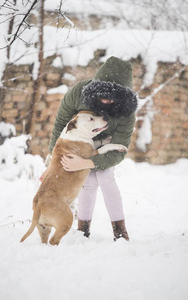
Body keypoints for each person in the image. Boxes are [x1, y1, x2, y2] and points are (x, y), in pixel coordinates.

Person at [48, 56, 138, 241]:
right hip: (78, 145)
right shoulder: (78, 93)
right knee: (87, 183)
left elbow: (119, 150)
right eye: (101, 94)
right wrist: (54, 159)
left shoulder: (127, 112)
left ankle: (120, 233)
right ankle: (83, 231)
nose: (105, 99)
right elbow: (60, 125)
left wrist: (87, 162)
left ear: (122, 97)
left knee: (106, 178)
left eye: (111, 97)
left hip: (105, 146)